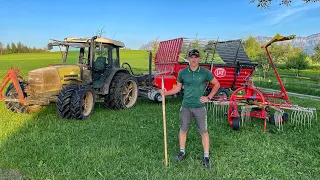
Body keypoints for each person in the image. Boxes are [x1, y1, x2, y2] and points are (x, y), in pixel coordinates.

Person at [161, 49, 220, 168]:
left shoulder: (205, 72)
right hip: (186, 106)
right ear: (188, 58)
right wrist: (165, 93)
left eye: (196, 57)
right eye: (191, 57)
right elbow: (178, 88)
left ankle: (206, 157)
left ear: (199, 59)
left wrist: (208, 97)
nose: (193, 59)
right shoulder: (182, 73)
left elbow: (217, 84)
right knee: (183, 130)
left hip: (199, 107)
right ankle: (182, 152)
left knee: (203, 132)